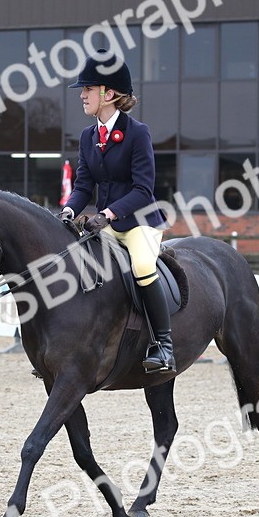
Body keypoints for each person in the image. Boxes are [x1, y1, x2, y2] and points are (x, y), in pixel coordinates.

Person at [60, 52, 174, 373]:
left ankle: (163, 345)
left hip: (140, 223)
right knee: (79, 265)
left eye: (88, 89)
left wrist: (108, 214)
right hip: (105, 224)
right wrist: (68, 210)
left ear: (108, 94)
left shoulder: (138, 132)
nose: (82, 95)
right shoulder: (88, 137)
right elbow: (84, 185)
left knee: (142, 267)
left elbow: (143, 189)